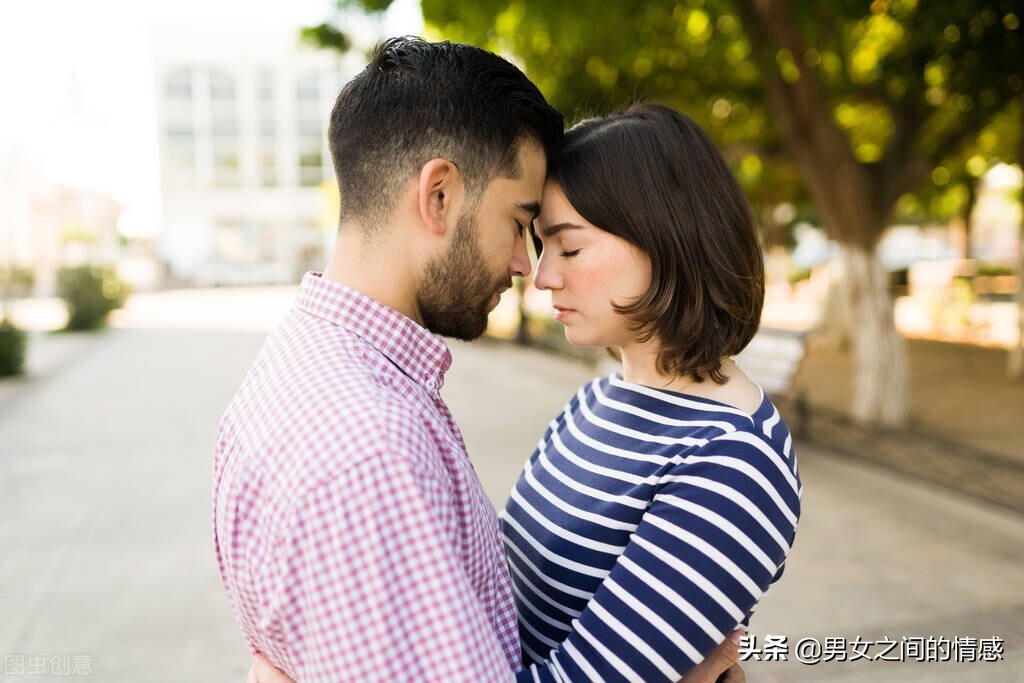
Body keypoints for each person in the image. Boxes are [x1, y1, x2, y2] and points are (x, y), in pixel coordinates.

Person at [214, 38, 744, 683]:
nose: (529, 267)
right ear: (439, 196)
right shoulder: (370, 451)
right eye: (521, 222)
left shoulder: (302, 367)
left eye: (560, 246)